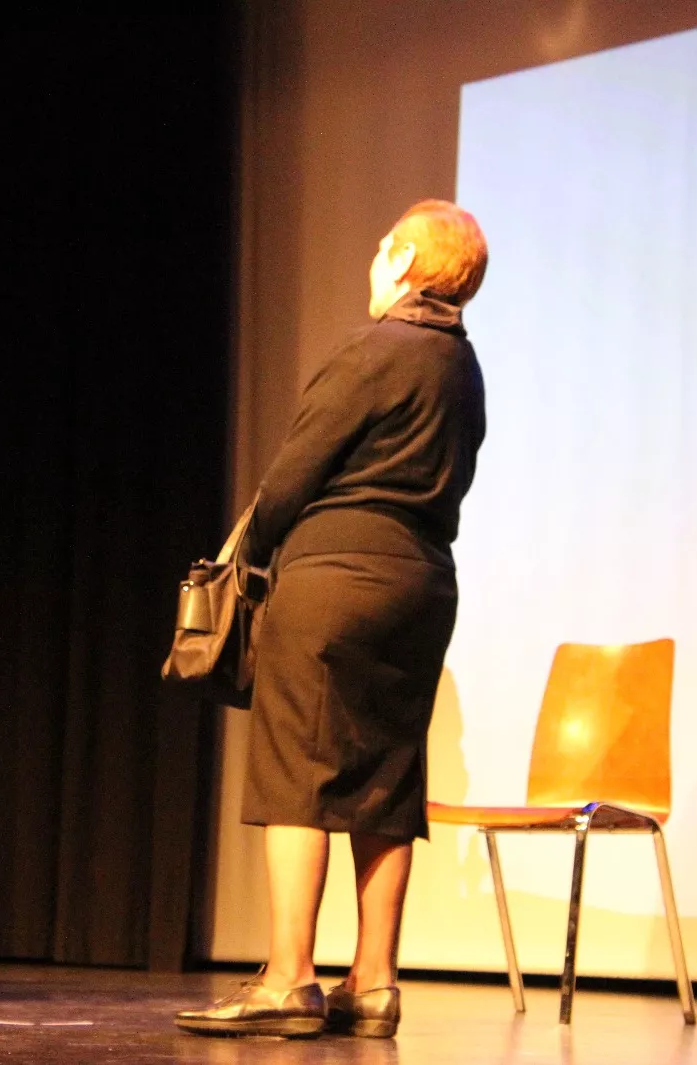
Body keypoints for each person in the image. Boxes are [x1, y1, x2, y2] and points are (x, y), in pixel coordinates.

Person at [176, 200, 488, 1039]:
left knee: (298, 772)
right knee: (387, 778)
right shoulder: (464, 368)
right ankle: (375, 983)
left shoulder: (374, 349)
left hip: (335, 579)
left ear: (406, 262)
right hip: (423, 584)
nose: (372, 260)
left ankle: (288, 979)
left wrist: (251, 554)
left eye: (382, 247)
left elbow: (291, 475)